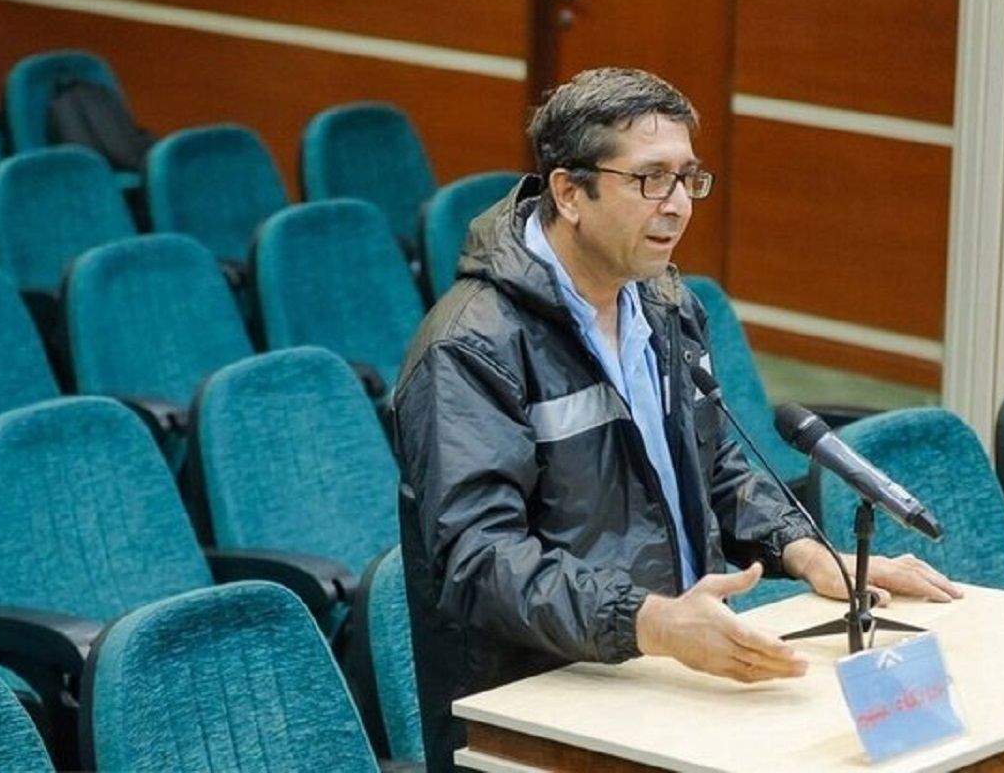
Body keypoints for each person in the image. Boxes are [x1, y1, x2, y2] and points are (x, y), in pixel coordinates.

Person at [391, 67, 961, 771]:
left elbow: (715, 468)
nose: (679, 205)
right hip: (541, 717)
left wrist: (809, 553)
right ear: (569, 192)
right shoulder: (471, 347)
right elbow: (481, 562)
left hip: (675, 682)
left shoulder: (663, 302)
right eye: (651, 179)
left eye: (688, 178)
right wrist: (651, 621)